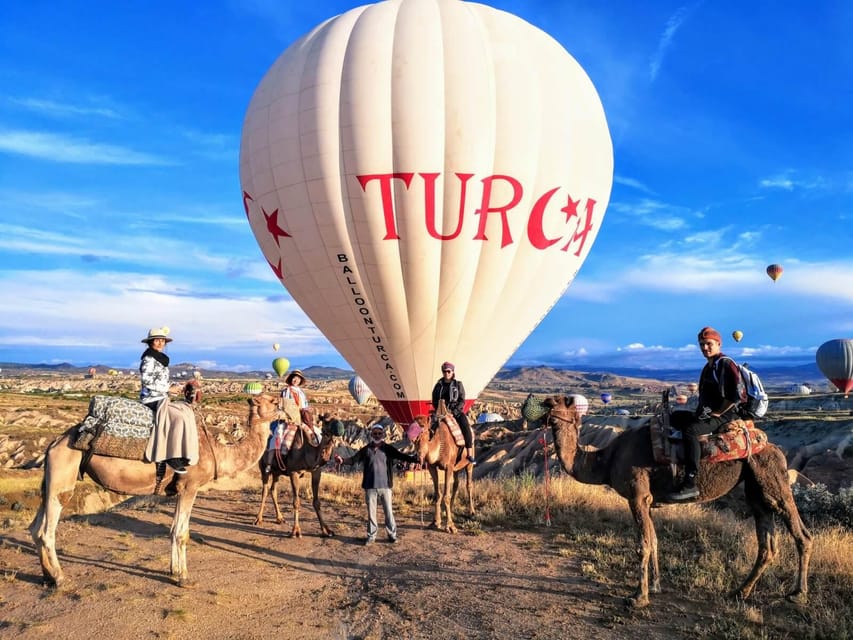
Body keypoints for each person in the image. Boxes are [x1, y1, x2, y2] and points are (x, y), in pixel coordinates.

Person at [668, 326, 745, 501]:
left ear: (718, 344)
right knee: (675, 416)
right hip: (707, 413)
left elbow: (738, 395)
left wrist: (718, 412)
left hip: (724, 415)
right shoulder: (708, 367)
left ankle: (690, 481)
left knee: (691, 431)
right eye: (702, 344)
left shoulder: (725, 363)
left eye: (709, 344)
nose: (705, 348)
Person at [334, 424, 419, 544]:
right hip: (370, 486)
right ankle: (371, 536)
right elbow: (353, 460)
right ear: (371, 435)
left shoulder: (388, 449)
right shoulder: (366, 449)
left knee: (389, 512)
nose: (377, 436)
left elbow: (401, 456)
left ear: (383, 434)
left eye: (379, 433)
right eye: (375, 433)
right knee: (371, 513)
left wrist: (416, 459)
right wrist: (342, 460)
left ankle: (392, 535)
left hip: (385, 486)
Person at [139, 327, 200, 475]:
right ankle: (170, 456)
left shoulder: (160, 359)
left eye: (162, 340)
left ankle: (184, 453)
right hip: (151, 398)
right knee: (177, 418)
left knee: (187, 412)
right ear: (150, 342)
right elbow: (147, 381)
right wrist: (168, 388)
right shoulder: (148, 359)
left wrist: (178, 386)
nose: (160, 343)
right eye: (157, 340)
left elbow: (161, 380)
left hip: (162, 396)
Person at [263, 369, 310, 472]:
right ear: (290, 379)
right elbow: (281, 407)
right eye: (294, 377)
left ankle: (312, 461)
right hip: (286, 420)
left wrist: (306, 417)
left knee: (314, 435)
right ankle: (269, 464)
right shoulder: (285, 391)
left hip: (299, 420)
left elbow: (305, 407)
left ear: (300, 380)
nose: (295, 380)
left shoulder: (302, 393)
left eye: (298, 378)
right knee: (277, 436)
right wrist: (284, 416)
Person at [431, 361, 475, 464]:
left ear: (452, 372)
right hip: (441, 412)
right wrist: (439, 408)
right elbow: (434, 399)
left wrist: (454, 410)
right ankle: (424, 451)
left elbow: (462, 400)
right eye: (444, 371)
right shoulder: (438, 385)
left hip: (456, 412)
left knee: (465, 427)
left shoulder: (458, 385)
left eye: (448, 371)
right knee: (427, 428)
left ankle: (469, 453)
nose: (446, 373)